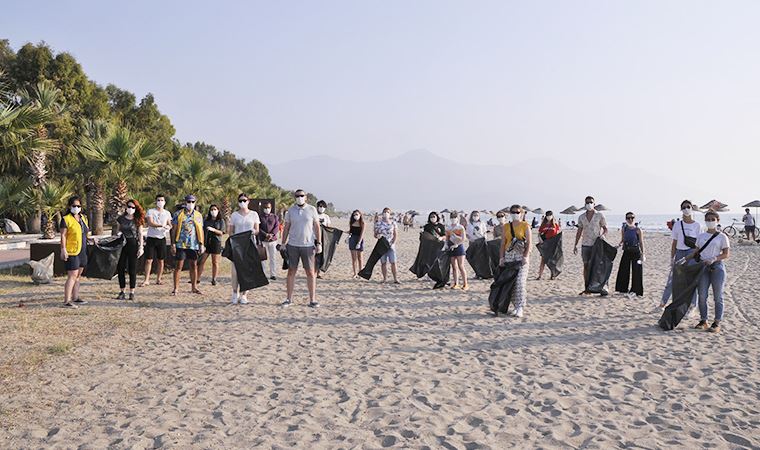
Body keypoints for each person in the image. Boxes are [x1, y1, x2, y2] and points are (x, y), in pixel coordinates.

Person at [687, 210, 730, 333]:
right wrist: (684, 259)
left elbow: (726, 254)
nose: (710, 222)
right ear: (705, 221)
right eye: (708, 219)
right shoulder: (701, 236)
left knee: (718, 296)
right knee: (702, 295)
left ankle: (716, 322)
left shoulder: (722, 236)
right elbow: (696, 251)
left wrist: (715, 258)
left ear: (717, 221)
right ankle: (703, 320)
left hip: (717, 267)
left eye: (713, 219)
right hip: (703, 267)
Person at [281, 189, 322, 307]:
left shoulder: (312, 209)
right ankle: (288, 299)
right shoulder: (291, 211)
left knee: (310, 272)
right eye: (297, 196)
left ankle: (312, 299)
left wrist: (318, 243)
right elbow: (286, 227)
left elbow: (317, 227)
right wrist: (283, 243)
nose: (299, 197)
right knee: (291, 271)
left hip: (308, 245)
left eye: (301, 195)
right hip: (293, 245)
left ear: (306, 197)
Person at [660, 200, 701, 309]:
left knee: (691, 281)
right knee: (672, 279)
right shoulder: (677, 225)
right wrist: (672, 258)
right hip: (679, 252)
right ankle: (662, 303)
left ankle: (692, 306)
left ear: (692, 208)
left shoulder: (697, 225)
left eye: (688, 206)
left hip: (692, 253)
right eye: (684, 207)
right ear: (681, 209)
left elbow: (699, 244)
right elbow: (674, 243)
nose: (686, 209)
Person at [498, 205, 531, 317]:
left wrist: (525, 256)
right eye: (513, 212)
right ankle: (515, 306)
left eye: (517, 212)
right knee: (511, 282)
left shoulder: (525, 225)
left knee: (520, 282)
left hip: (521, 256)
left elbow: (529, 243)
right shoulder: (506, 226)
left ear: (521, 213)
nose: (515, 214)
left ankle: (520, 307)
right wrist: (501, 258)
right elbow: (503, 243)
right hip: (509, 256)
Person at [228, 193, 260, 304]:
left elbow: (257, 230)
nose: (242, 202)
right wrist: (232, 239)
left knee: (247, 271)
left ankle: (244, 294)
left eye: (244, 200)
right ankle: (234, 292)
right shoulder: (234, 215)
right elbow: (231, 231)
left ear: (248, 201)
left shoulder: (254, 214)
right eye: (240, 200)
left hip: (249, 244)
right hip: (237, 245)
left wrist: (253, 232)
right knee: (235, 271)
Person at [573, 195, 609, 296]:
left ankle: (600, 287)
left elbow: (605, 228)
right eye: (587, 202)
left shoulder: (600, 215)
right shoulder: (581, 217)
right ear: (585, 204)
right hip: (585, 244)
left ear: (594, 203)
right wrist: (575, 244)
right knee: (586, 266)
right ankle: (587, 288)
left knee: (597, 266)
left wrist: (602, 235)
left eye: (591, 202)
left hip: (596, 244)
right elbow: (579, 231)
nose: (589, 204)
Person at [170, 194, 205, 296]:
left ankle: (194, 287)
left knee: (193, 265)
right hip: (181, 243)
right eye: (189, 202)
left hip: (193, 244)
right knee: (178, 266)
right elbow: (174, 229)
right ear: (185, 203)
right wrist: (173, 243)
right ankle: (176, 288)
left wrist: (201, 243)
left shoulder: (198, 215)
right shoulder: (178, 214)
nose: (190, 204)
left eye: (192, 202)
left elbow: (200, 230)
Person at [60, 195, 91, 308]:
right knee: (72, 276)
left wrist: (91, 239)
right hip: (72, 251)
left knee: (78, 275)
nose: (76, 208)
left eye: (78, 206)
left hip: (82, 250)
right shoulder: (66, 219)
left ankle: (76, 297)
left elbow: (85, 233)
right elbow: (63, 235)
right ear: (69, 206)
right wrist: (63, 249)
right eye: (74, 206)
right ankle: (67, 300)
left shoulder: (83, 218)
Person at [115, 199, 145, 300]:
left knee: (132, 269)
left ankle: (132, 291)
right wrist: (117, 235)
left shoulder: (138, 219)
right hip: (122, 244)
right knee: (121, 268)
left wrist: (141, 247)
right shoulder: (121, 219)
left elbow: (140, 233)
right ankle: (122, 290)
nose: (130, 209)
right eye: (129, 207)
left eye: (133, 207)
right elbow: (117, 230)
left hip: (133, 244)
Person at [141, 194, 173, 286]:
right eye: (158, 200)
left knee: (161, 260)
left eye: (162, 200)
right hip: (151, 238)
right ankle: (146, 280)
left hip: (161, 238)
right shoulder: (151, 211)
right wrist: (160, 225)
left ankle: (159, 279)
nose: (160, 202)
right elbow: (150, 223)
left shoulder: (167, 213)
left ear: (164, 202)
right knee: (148, 260)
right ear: (156, 201)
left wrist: (169, 227)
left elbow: (169, 223)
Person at [614, 212, 644, 298]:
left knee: (637, 271)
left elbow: (641, 242)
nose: (630, 219)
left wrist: (643, 253)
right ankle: (622, 288)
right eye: (628, 218)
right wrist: (618, 245)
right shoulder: (624, 228)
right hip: (626, 251)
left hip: (636, 252)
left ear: (634, 218)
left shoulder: (638, 230)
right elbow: (623, 239)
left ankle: (636, 290)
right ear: (626, 219)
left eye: (632, 218)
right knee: (624, 269)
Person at [197, 204, 225, 285]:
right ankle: (197, 278)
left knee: (215, 262)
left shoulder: (221, 221)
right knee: (201, 261)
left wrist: (213, 230)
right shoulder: (206, 221)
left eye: (215, 209)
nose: (213, 211)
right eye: (212, 209)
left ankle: (214, 279)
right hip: (207, 243)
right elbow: (202, 231)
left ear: (218, 210)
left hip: (216, 242)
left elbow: (221, 232)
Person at [374, 207, 400, 284]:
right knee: (383, 262)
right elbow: (375, 234)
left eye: (387, 212)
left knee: (393, 262)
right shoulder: (378, 223)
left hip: (391, 245)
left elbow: (395, 234)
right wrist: (377, 235)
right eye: (385, 212)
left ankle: (395, 278)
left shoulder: (393, 223)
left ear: (390, 214)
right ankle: (384, 278)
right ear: (382, 213)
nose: (386, 213)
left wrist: (392, 242)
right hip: (382, 245)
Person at [446, 211, 469, 290]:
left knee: (461, 266)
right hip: (451, 246)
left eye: (455, 217)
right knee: (454, 266)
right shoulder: (448, 227)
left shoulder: (460, 227)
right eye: (452, 218)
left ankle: (465, 284)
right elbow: (447, 238)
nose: (453, 219)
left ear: (457, 218)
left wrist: (457, 244)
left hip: (459, 247)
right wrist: (446, 245)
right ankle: (456, 283)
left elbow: (463, 239)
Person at [258, 201, 280, 280]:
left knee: (273, 257)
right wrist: (265, 235)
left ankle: (273, 274)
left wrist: (272, 235)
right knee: (263, 258)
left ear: (271, 208)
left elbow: (277, 227)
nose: (267, 209)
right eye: (265, 207)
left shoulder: (275, 217)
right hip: (263, 240)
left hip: (272, 241)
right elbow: (258, 228)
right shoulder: (260, 217)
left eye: (268, 207)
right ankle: (263, 274)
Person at [536, 211, 561, 280]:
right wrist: (540, 240)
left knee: (552, 261)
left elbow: (558, 234)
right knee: (543, 260)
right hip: (545, 244)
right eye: (547, 215)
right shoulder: (543, 224)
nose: (548, 216)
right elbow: (539, 233)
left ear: (552, 216)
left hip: (553, 244)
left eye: (550, 215)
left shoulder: (555, 224)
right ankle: (540, 275)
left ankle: (552, 275)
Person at [348, 210, 365, 278]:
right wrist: (348, 236)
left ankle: (360, 272)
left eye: (357, 214)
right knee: (353, 258)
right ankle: (355, 273)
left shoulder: (362, 223)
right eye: (354, 214)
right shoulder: (352, 222)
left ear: (360, 215)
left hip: (359, 239)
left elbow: (362, 233)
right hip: (352, 239)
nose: (356, 216)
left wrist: (359, 242)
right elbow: (350, 231)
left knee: (360, 257)